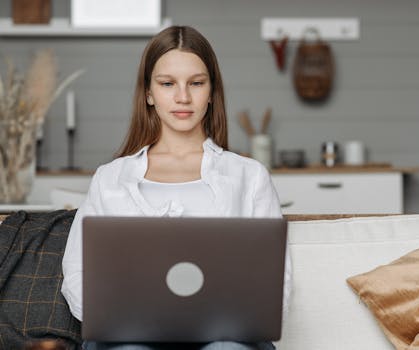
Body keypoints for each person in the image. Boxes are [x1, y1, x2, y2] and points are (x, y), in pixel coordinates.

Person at [61, 25, 291, 350]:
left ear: (212, 92)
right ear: (149, 93)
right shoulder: (110, 178)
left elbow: (276, 284)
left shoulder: (249, 177)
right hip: (128, 337)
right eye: (167, 83)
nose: (183, 97)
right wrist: (118, 318)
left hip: (225, 337)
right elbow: (77, 272)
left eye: (196, 83)